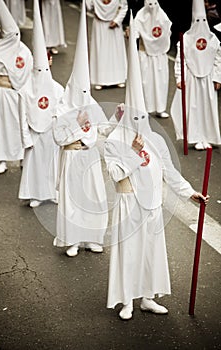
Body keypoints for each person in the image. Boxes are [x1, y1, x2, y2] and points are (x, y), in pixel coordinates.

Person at [104, 13, 209, 320]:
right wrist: (133, 154)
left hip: (151, 203)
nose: (140, 126)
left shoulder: (156, 141)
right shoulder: (114, 140)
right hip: (128, 203)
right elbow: (115, 174)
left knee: (151, 252)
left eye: (143, 118)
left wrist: (190, 193)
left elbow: (168, 170)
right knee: (130, 252)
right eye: (134, 119)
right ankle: (126, 300)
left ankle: (148, 297)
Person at [52, 0, 111, 257]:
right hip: (71, 157)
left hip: (89, 158)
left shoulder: (91, 102)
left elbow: (104, 128)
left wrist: (118, 121)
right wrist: (74, 127)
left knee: (93, 198)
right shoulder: (62, 106)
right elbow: (56, 135)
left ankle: (92, 238)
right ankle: (74, 239)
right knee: (73, 199)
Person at [18, 0, 64, 208]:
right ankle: (35, 193)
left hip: (51, 132)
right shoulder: (25, 90)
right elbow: (21, 117)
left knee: (52, 164)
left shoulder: (57, 89)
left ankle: (52, 191)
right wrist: (26, 138)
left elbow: (62, 110)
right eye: (39, 71)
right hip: (35, 132)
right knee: (35, 164)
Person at [0, 0, 33, 174]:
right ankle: (3, 160)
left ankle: (23, 157)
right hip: (2, 94)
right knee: (3, 128)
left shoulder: (23, 50)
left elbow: (29, 67)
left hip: (20, 93)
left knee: (21, 126)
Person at [170, 0, 221, 151]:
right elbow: (180, 59)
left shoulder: (213, 39)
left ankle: (208, 137)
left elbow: (218, 58)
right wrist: (180, 78)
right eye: (198, 20)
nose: (200, 23)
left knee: (207, 107)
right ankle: (195, 137)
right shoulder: (186, 39)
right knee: (193, 107)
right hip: (192, 77)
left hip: (208, 78)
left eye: (203, 20)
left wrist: (218, 77)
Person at [134, 0, 172, 118]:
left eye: (155, 4)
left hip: (160, 55)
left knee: (161, 82)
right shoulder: (140, 16)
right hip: (145, 54)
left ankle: (160, 108)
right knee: (146, 82)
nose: (152, 7)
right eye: (150, 4)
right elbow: (135, 30)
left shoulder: (162, 15)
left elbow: (168, 28)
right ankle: (146, 108)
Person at [86, 0, 128, 90]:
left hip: (114, 25)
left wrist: (117, 21)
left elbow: (124, 6)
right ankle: (100, 80)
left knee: (115, 52)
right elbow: (88, 7)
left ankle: (118, 78)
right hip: (99, 24)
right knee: (100, 51)